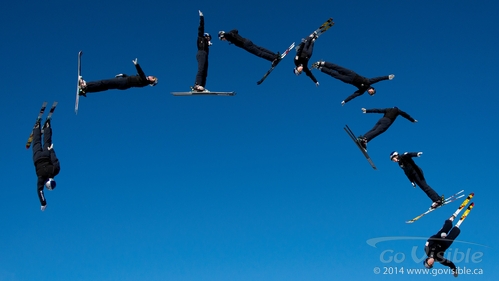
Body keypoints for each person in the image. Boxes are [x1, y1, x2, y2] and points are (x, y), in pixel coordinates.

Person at [311, 61, 394, 105]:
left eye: (370, 93)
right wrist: (387, 77)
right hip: (352, 74)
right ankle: (323, 63)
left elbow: (354, 95)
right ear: (372, 89)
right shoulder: (369, 82)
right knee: (338, 68)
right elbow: (378, 79)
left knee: (335, 75)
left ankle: (320, 68)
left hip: (348, 80)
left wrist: (345, 101)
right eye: (371, 92)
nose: (370, 92)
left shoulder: (362, 91)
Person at [78, 58, 158, 96]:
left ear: (151, 81)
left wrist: (137, 64)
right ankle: (86, 90)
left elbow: (141, 73)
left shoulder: (144, 81)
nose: (150, 76)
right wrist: (123, 75)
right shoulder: (143, 82)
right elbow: (131, 79)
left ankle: (85, 85)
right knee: (105, 87)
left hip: (123, 82)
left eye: (152, 77)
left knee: (104, 83)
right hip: (124, 83)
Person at [32, 118, 60, 211]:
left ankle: (47, 126)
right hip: (37, 158)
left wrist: (51, 150)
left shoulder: (55, 170)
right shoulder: (41, 177)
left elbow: (55, 160)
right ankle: (37, 128)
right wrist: (43, 203)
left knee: (47, 142)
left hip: (46, 155)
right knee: (36, 143)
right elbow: (39, 191)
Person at [193, 10, 212, 92]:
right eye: (208, 37)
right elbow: (201, 28)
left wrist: (208, 45)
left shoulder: (207, 46)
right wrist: (201, 17)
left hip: (204, 54)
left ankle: (202, 86)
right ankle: (197, 84)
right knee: (201, 69)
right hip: (201, 53)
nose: (209, 39)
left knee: (205, 71)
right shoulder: (201, 38)